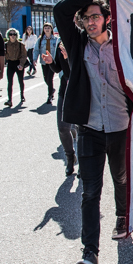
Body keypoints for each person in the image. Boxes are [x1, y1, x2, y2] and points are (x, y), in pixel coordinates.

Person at [53, 0, 129, 264]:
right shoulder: (77, 45)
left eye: (96, 16)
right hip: (89, 129)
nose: (91, 22)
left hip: (121, 125)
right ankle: (90, 251)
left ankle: (122, 217)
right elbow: (60, 9)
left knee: (120, 179)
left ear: (107, 19)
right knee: (90, 191)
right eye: (86, 18)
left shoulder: (123, 44)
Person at [42, 40, 78, 176]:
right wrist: (51, 62)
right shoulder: (60, 42)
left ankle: (84, 163)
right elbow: (58, 69)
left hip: (80, 92)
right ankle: (70, 157)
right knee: (63, 128)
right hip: (65, 91)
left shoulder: (79, 40)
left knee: (82, 130)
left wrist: (69, 59)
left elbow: (80, 69)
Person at [33, 22, 60, 104]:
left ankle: (50, 96)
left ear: (51, 29)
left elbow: (58, 50)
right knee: (46, 79)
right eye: (45, 28)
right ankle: (51, 89)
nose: (47, 29)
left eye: (49, 28)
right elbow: (36, 50)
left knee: (50, 78)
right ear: (43, 30)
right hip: (44, 62)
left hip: (52, 62)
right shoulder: (40, 40)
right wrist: (34, 60)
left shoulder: (55, 39)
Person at [3, 28, 27, 107]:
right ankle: (9, 100)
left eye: (14, 34)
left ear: (17, 35)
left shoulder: (20, 44)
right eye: (11, 34)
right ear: (8, 36)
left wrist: (21, 64)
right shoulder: (6, 45)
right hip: (10, 64)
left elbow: (24, 55)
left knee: (20, 80)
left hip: (18, 63)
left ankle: (22, 96)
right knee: (10, 82)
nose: (12, 36)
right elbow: (4, 55)